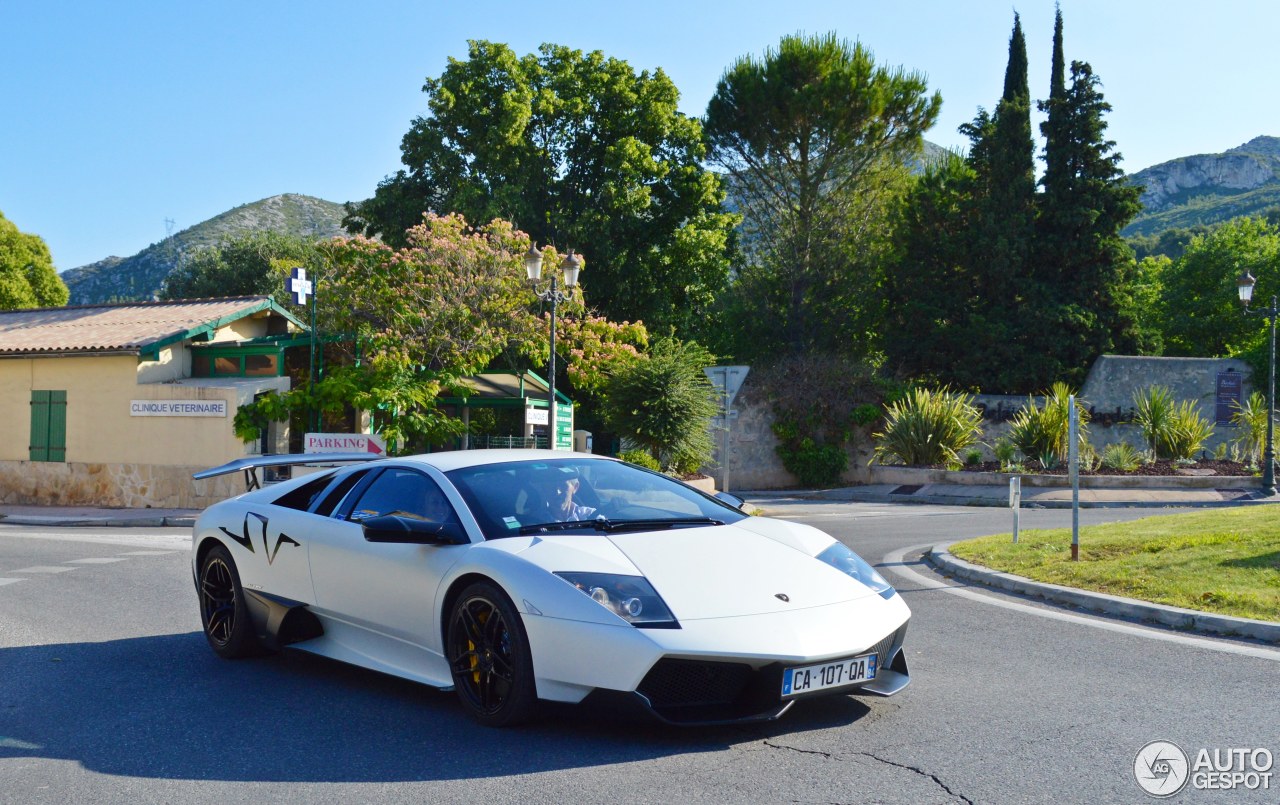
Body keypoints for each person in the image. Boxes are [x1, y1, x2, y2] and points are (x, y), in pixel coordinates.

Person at [529, 466, 597, 522]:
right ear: (544, 490)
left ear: (575, 487)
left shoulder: (590, 515)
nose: (557, 492)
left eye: (563, 485)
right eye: (551, 487)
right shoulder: (535, 521)